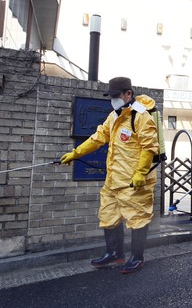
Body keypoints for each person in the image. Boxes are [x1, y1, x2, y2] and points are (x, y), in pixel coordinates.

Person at [61, 77, 159, 274]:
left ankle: (137, 257)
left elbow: (150, 147)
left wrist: (140, 173)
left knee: (137, 217)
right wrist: (76, 153)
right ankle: (115, 253)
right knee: (108, 215)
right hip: (113, 179)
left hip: (133, 180)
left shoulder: (141, 117)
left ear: (128, 94)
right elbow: (98, 138)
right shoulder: (114, 116)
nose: (113, 100)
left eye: (116, 96)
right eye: (111, 96)